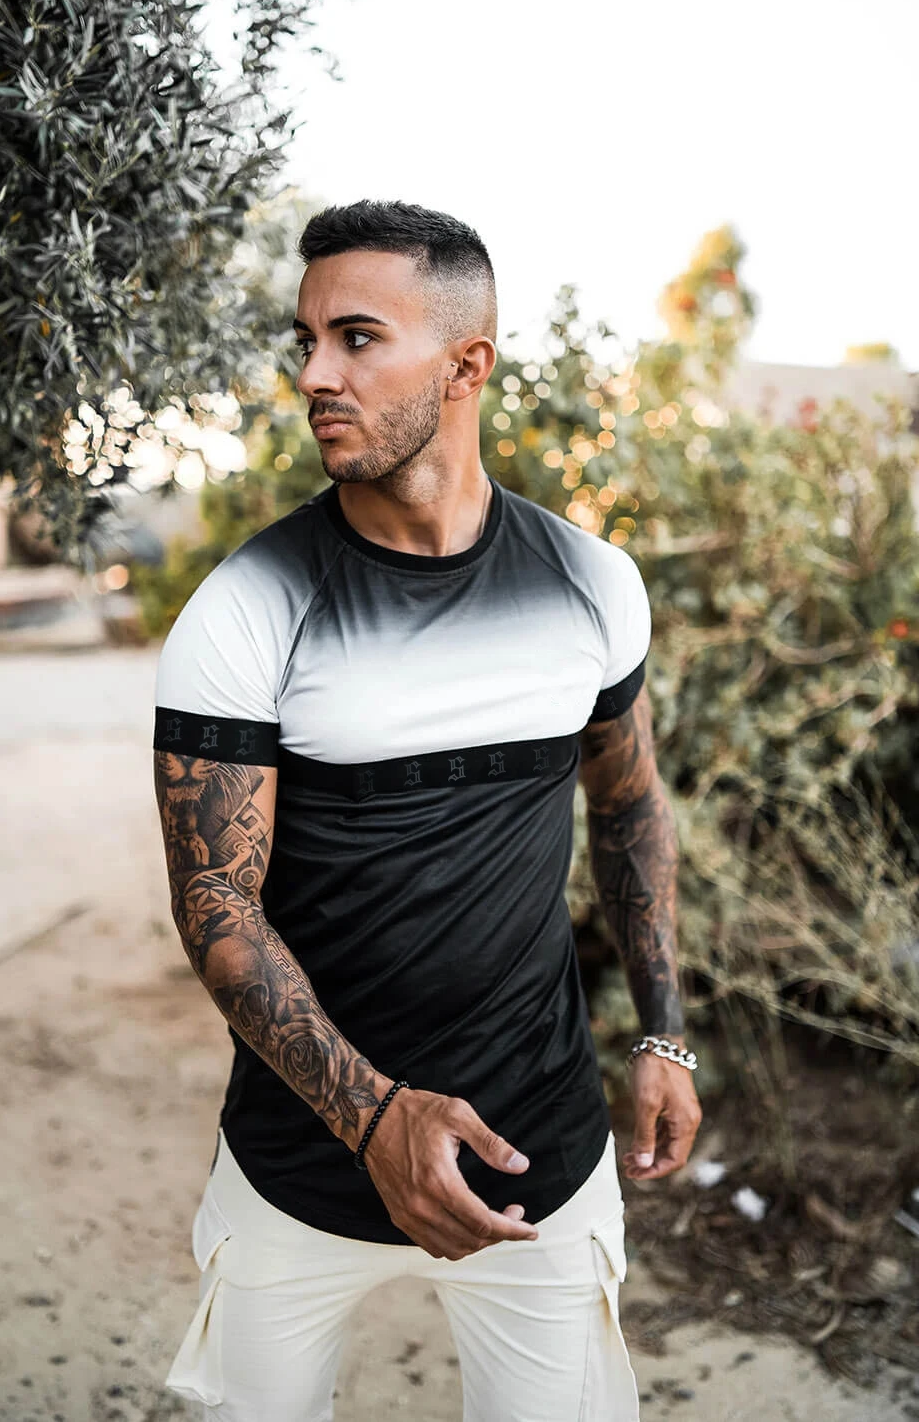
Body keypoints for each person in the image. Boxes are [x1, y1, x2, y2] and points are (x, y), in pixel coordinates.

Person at [153, 200, 702, 1422]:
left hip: (539, 1150)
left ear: (466, 366)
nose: (313, 375)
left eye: (356, 338)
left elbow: (629, 811)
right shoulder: (250, 604)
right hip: (298, 1164)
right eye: (306, 341)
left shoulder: (589, 583)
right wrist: (375, 1120)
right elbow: (213, 898)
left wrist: (663, 1034)